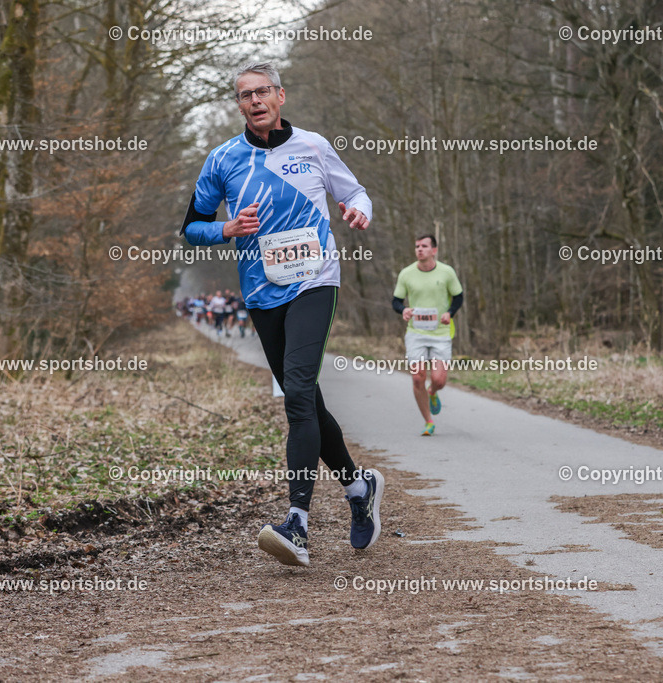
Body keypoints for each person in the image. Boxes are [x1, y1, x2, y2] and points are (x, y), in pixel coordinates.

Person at [179, 61, 383, 567]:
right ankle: (358, 487)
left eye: (263, 91)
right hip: (262, 290)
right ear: (239, 104)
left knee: (295, 392)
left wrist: (360, 210)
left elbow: (353, 191)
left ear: (280, 96)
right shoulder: (222, 159)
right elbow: (192, 226)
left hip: (315, 281)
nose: (255, 100)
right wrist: (225, 230)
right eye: (245, 95)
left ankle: (298, 522)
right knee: (305, 395)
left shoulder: (312, 145)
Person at [392, 234, 463, 436]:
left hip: (440, 332)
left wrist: (450, 313)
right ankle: (428, 421)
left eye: (424, 246)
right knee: (417, 378)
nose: (419, 249)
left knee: (439, 380)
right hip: (416, 332)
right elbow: (396, 301)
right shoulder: (406, 274)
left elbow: (458, 296)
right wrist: (403, 310)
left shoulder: (446, 272)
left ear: (434, 250)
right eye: (417, 246)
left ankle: (432, 392)